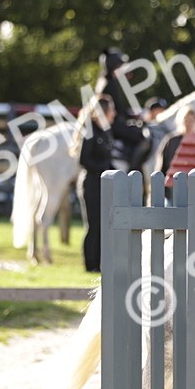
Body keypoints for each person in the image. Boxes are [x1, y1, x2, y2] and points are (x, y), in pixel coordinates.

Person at [77, 95, 116, 273]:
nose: (114, 114)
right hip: (92, 183)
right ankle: (90, 264)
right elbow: (84, 159)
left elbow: (107, 159)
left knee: (103, 224)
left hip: (103, 183)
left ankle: (100, 263)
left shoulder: (105, 131)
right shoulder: (90, 131)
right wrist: (103, 170)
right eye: (111, 110)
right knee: (93, 224)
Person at [95, 47, 150, 172]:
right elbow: (118, 110)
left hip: (109, 122)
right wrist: (135, 116)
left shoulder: (103, 81)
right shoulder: (111, 84)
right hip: (113, 124)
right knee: (142, 136)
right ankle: (134, 167)